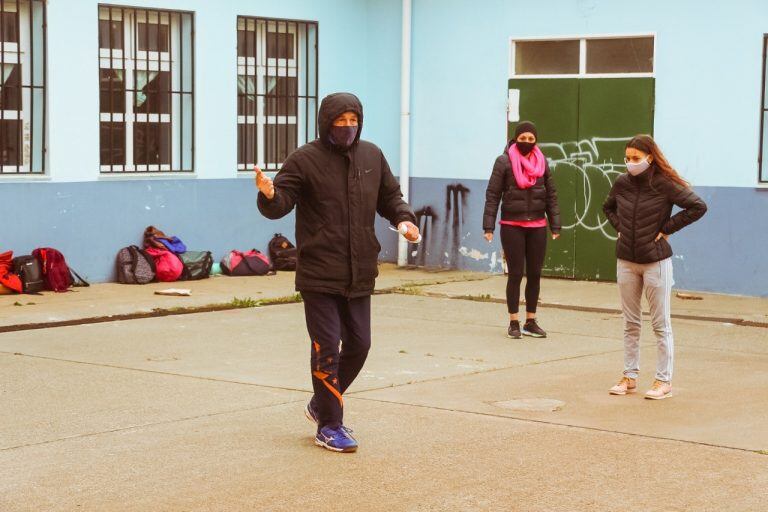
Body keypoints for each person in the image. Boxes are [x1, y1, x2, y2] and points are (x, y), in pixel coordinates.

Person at [255, 92, 419, 452]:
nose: (347, 127)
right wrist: (268, 194)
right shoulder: (305, 159)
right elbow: (280, 202)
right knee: (327, 347)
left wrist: (405, 220)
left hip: (359, 271)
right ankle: (330, 425)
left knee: (360, 344)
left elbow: (391, 197)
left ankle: (320, 404)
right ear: (325, 122)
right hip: (319, 273)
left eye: (352, 120)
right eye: (339, 121)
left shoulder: (372, 156)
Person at [603, 134, 707, 400]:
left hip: (655, 262)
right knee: (630, 322)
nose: (630, 163)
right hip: (626, 260)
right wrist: (621, 229)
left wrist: (666, 229)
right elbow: (608, 208)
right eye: (627, 158)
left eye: (636, 159)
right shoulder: (622, 182)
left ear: (650, 158)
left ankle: (663, 381)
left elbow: (697, 206)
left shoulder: (664, 184)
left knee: (660, 324)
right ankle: (629, 376)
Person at [482, 121, 561, 339]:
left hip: (537, 225)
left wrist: (555, 223)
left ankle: (531, 321)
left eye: (531, 139)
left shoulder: (542, 161)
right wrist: (488, 225)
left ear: (535, 140)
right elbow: (492, 195)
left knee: (535, 274)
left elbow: (551, 195)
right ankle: (514, 321)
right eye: (522, 138)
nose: (526, 142)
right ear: (516, 139)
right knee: (516, 274)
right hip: (511, 226)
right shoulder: (504, 162)